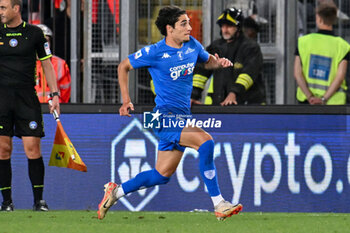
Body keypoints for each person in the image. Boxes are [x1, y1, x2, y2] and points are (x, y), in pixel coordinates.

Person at [97, 5, 243, 221]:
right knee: (206, 142)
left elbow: (207, 61)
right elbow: (123, 66)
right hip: (163, 118)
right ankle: (219, 203)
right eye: (183, 23)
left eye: (189, 23)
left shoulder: (192, 45)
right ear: (169, 28)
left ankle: (115, 192)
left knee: (161, 175)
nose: (190, 27)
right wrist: (125, 100)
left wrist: (218, 63)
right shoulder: (154, 52)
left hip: (183, 118)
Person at [0, 0, 60, 211]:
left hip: (27, 99)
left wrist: (54, 94)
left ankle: (39, 201)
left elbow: (47, 64)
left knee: (32, 148)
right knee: (3, 149)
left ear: (16, 9)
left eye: (3, 7)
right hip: (1, 100)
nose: (0, 12)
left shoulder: (34, 34)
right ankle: (6, 202)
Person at [191, 7, 266, 106]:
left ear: (238, 27)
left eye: (229, 26)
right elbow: (201, 72)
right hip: (221, 105)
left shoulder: (251, 47)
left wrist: (233, 93)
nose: (225, 29)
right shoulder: (215, 47)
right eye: (222, 26)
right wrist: (193, 96)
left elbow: (249, 73)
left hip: (249, 105)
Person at [294, 2, 350, 105]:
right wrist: (323, 99)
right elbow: (340, 77)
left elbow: (297, 74)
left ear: (318, 19)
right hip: (333, 103)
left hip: (306, 102)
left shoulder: (303, 42)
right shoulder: (343, 46)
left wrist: (310, 97)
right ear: (334, 20)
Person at [35, 24, 71, 103]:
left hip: (53, 110)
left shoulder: (60, 63)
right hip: (31, 111)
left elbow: (66, 90)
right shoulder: (23, 63)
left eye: (46, 41)